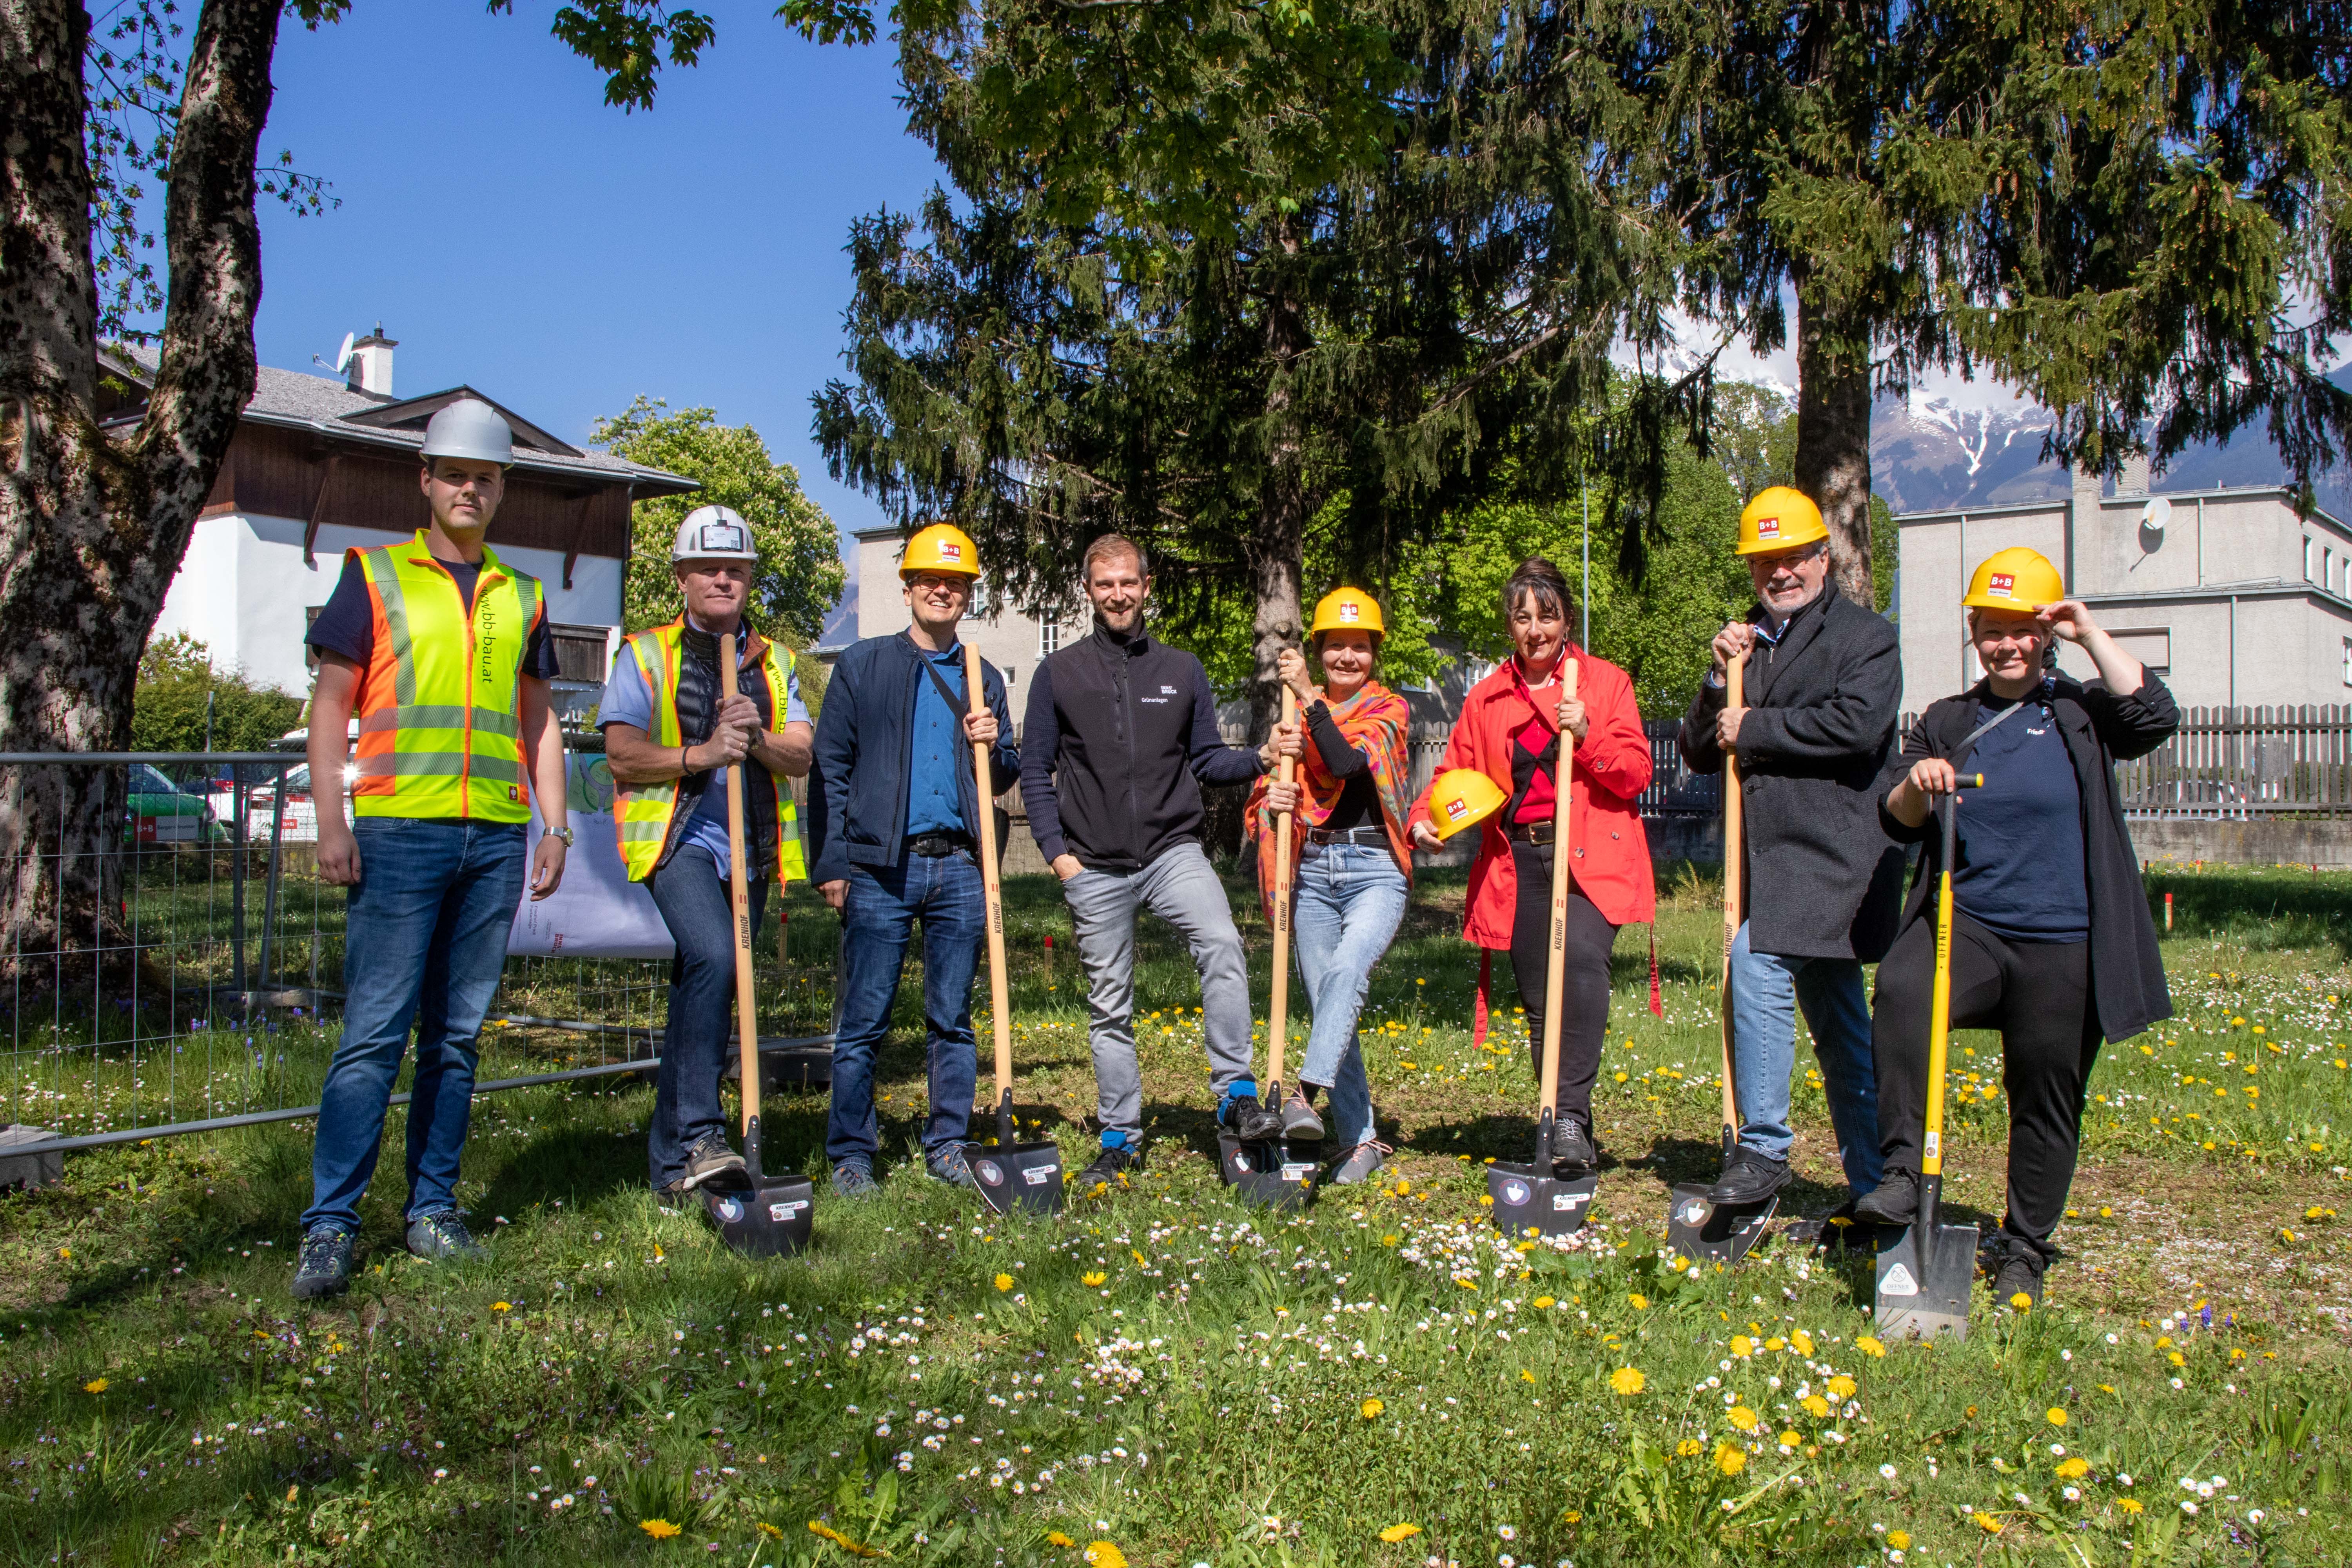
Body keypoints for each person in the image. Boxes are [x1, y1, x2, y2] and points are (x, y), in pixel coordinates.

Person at [291, 399, 571, 1299]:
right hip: (397, 830)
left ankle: (432, 1210)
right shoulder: (372, 575)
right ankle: (331, 1225)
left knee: (456, 1038)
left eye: (485, 477)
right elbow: (332, 704)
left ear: (502, 489)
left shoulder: (522, 595)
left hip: (492, 835)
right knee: (373, 1035)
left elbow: (539, 724)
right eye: (455, 473)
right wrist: (332, 822)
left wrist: (554, 823)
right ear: (427, 479)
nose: (470, 488)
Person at [1853, 546, 2178, 1304]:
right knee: (1903, 991)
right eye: (1990, 629)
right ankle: (1903, 1172)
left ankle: (2025, 1243)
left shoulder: (2080, 713)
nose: (2005, 644)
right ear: (1973, 634)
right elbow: (1895, 818)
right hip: (1969, 928)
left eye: (2020, 629)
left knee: (2046, 1090)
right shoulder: (1946, 720)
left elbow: (2155, 715)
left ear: (2045, 633)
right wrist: (1918, 786)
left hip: (2065, 939)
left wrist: (2090, 630)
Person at [1020, 534, 1285, 1193]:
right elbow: (1034, 770)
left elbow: (1206, 761)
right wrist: (1060, 858)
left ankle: (1236, 1094)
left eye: (1128, 583)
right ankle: (1120, 1137)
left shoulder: (1181, 669)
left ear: (1146, 586)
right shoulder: (1060, 673)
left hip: (1173, 852)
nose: (1118, 594)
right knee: (1110, 1004)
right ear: (1089, 590)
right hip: (1095, 866)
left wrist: (1258, 758)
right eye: (1105, 584)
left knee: (1222, 943)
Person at [1675, 486, 1905, 1218]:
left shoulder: (1866, 638)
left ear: (1823, 558)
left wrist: (1757, 726)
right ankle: (1877, 1187)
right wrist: (1719, 682)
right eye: (1764, 562)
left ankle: (1766, 1148)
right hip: (1772, 864)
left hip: (1837, 855)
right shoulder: (1745, 643)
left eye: (1794, 558)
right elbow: (1697, 753)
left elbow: (1859, 726)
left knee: (1760, 961)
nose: (1780, 573)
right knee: (1840, 1028)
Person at [1406, 558, 1654, 1172]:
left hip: (1592, 856)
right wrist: (1423, 819)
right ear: (1510, 627)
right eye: (1523, 617)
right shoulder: (1488, 696)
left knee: (1583, 974)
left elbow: (1636, 774)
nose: (1536, 629)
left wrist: (1590, 732)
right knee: (1542, 999)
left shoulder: (1605, 683)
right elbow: (1450, 774)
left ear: (1568, 618)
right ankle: (1564, 1122)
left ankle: (1568, 1116)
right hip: (1518, 862)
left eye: (1547, 615)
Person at [599, 506, 815, 1203]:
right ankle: (700, 1133)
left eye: (736, 570)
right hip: (679, 839)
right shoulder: (644, 654)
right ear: (683, 577)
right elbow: (622, 754)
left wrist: (754, 740)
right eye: (709, 569)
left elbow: (801, 754)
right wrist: (700, 753)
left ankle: (672, 1165)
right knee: (716, 957)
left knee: (714, 982)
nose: (724, 580)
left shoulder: (776, 663)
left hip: (749, 846)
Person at [807, 523, 1017, 1196]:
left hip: (960, 866)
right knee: (865, 1018)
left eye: (954, 583)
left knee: (951, 1018)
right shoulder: (863, 665)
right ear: (907, 590)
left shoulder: (984, 676)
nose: (941, 590)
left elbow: (1005, 770)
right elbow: (829, 769)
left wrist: (994, 743)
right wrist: (833, 863)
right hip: (880, 868)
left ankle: (949, 1143)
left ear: (967, 596)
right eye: (930, 579)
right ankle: (851, 1154)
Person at [1243, 588, 1415, 1185]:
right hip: (1312, 871)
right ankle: (1361, 1140)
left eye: (1360, 647)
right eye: (1336, 646)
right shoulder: (1292, 718)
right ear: (1319, 650)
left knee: (1346, 976)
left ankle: (1304, 1097)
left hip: (1375, 871)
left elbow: (1345, 765)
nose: (1348, 657)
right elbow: (1266, 797)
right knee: (1329, 1009)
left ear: (1374, 655)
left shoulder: (1390, 710)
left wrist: (1309, 699)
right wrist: (1276, 801)